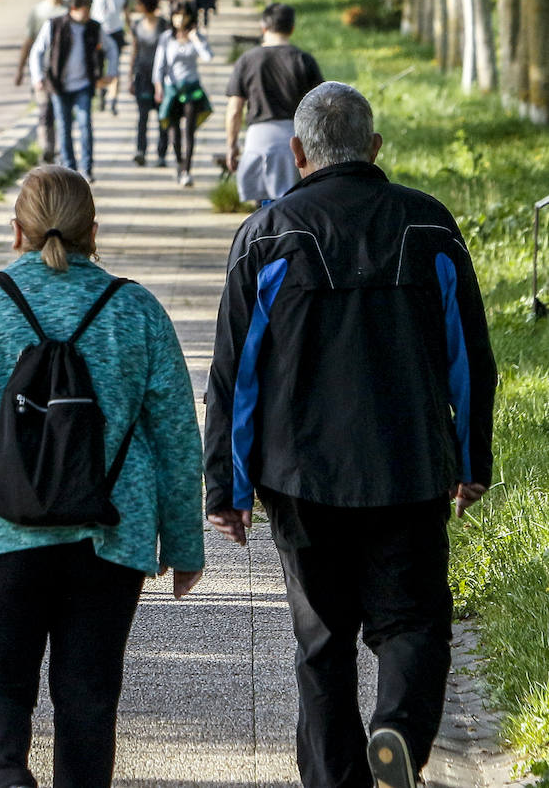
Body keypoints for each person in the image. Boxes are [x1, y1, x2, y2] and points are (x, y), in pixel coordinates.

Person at [204, 82, 496, 788]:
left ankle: (337, 780)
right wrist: (471, 460)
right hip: (411, 465)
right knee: (415, 625)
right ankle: (396, 727)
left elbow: (235, 375)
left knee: (322, 644)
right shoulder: (429, 227)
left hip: (301, 478)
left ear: (298, 153)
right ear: (375, 149)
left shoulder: (267, 236)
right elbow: (469, 356)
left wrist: (228, 487)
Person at [0, 164, 205, 788]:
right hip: (110, 535)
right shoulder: (137, 312)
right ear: (94, 232)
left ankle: (8, 776)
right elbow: (176, 436)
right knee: (89, 698)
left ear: (16, 232)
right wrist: (183, 544)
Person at [225, 2, 324, 205]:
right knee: (290, 207)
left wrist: (232, 146)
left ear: (263, 27)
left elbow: (234, 111)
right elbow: (321, 108)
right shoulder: (303, 60)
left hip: (257, 140)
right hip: (294, 141)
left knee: (262, 211)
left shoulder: (247, 60)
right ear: (292, 28)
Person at [29, 0, 111, 180]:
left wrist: (110, 72)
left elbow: (111, 49)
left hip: (84, 84)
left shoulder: (94, 27)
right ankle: (69, 169)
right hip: (59, 86)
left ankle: (87, 168)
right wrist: (37, 76)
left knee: (85, 125)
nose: (88, 14)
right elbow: (37, 51)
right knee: (64, 127)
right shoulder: (54, 25)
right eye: (85, 10)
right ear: (73, 9)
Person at [153, 4, 213, 186]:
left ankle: (187, 169)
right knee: (174, 132)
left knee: (189, 131)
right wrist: (159, 88)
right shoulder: (166, 38)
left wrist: (195, 38)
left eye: (183, 16)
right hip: (172, 88)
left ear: (189, 17)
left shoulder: (197, 37)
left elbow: (208, 56)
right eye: (175, 16)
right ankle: (179, 163)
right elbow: (159, 65)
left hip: (192, 89)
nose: (179, 20)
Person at [14, 0, 69, 165]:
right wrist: (21, 69)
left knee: (63, 112)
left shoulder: (69, 10)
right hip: (43, 71)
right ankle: (47, 148)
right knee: (45, 110)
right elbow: (28, 41)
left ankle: (64, 151)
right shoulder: (38, 12)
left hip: (64, 72)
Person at [128, 0, 171, 168]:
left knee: (163, 116)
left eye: (139, 3)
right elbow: (134, 49)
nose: (136, 7)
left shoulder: (164, 25)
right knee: (142, 116)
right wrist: (129, 75)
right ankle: (141, 150)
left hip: (161, 77)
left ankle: (162, 153)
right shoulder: (136, 25)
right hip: (142, 76)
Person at [90, 0, 128, 114]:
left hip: (116, 31)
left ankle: (113, 99)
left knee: (114, 66)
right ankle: (101, 94)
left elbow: (126, 13)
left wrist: (130, 31)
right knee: (99, 66)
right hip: (100, 32)